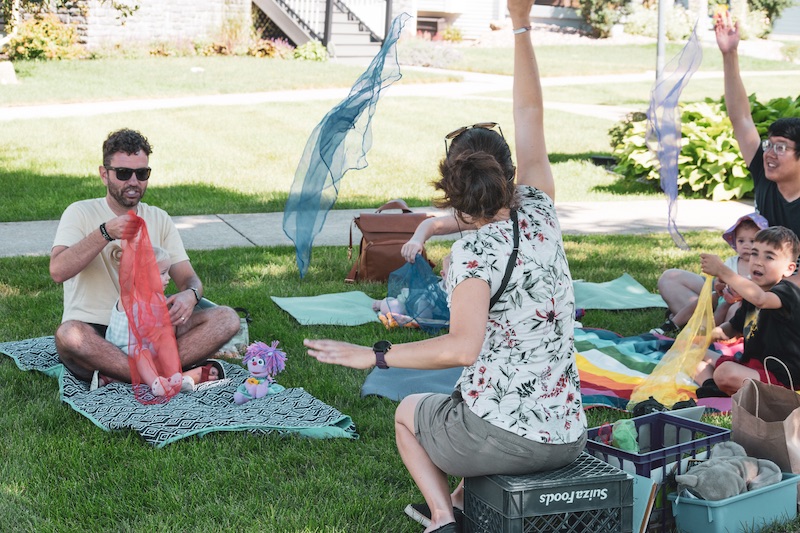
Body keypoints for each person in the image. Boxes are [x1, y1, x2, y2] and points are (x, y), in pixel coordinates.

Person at [305, 3, 587, 532]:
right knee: (473, 397)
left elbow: (461, 347)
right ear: (508, 176)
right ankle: (459, 500)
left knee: (410, 412)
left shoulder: (472, 256)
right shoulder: (542, 209)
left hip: (513, 440)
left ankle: (442, 519)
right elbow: (530, 116)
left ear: (452, 190)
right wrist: (521, 24)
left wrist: (375, 354)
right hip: (569, 432)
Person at [50, 128, 240, 386]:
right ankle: (166, 375)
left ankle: (127, 376)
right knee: (69, 334)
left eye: (142, 174)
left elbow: (188, 278)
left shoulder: (158, 217)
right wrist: (105, 232)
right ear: (104, 174)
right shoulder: (80, 212)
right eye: (123, 173)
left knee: (227, 318)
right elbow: (58, 271)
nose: (133, 181)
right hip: (97, 332)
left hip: (151, 334)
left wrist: (191, 295)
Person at [716, 11, 800, 237]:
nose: (770, 153)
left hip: (786, 273)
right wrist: (729, 53)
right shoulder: (764, 174)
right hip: (759, 272)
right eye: (769, 145)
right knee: (672, 275)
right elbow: (741, 118)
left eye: (781, 147)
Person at [694, 226, 800, 398]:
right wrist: (705, 337)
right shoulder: (751, 295)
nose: (758, 261)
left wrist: (723, 271)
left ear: (789, 269)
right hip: (751, 367)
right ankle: (711, 386)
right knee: (693, 353)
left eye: (769, 257)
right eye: (754, 253)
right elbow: (732, 328)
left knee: (725, 372)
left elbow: (761, 299)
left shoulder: (787, 291)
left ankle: (721, 384)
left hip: (782, 377)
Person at [105, 246, 220, 395]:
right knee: (142, 352)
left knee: (166, 343)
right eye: (163, 273)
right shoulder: (130, 297)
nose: (169, 277)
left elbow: (166, 327)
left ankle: (174, 376)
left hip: (148, 344)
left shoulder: (160, 299)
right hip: (124, 349)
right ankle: (156, 383)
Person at [654, 213, 768, 334]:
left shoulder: (761, 266)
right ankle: (674, 323)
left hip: (741, 304)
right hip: (724, 297)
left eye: (752, 241)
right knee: (708, 299)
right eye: (741, 241)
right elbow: (719, 283)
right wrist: (720, 286)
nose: (746, 246)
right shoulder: (731, 262)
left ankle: (710, 332)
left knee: (729, 308)